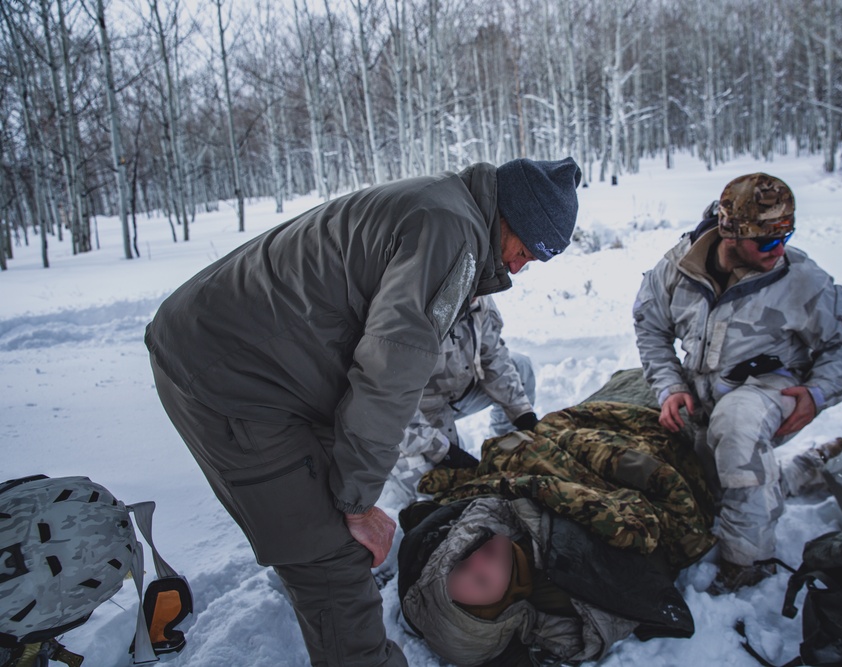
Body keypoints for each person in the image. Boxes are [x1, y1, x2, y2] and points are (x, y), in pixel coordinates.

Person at [144, 156, 582, 666]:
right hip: (232, 376)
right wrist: (356, 502)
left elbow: (415, 359)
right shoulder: (451, 235)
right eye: (526, 251)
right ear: (510, 217)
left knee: (334, 518)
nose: (519, 267)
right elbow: (389, 374)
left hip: (258, 362)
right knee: (330, 562)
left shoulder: (447, 209)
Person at [632, 172, 842, 592]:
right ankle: (806, 470)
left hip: (767, 393)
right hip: (700, 402)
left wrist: (817, 393)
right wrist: (670, 387)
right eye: (766, 241)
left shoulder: (803, 281)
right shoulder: (678, 268)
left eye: (786, 236)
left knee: (737, 429)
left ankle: (748, 563)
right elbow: (650, 326)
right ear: (731, 233)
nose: (779, 250)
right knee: (709, 487)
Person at [397, 394, 716, 667]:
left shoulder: (500, 527)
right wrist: (543, 489)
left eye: (464, 564)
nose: (477, 559)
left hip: (582, 422)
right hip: (654, 434)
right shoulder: (580, 580)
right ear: (508, 605)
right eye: (481, 580)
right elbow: (644, 522)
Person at [382, 294, 538, 507]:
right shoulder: (412, 310)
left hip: (457, 392)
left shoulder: (481, 296)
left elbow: (494, 357)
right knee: (439, 490)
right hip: (410, 413)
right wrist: (444, 451)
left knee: (520, 365)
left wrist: (522, 413)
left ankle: (506, 453)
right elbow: (389, 401)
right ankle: (392, 473)